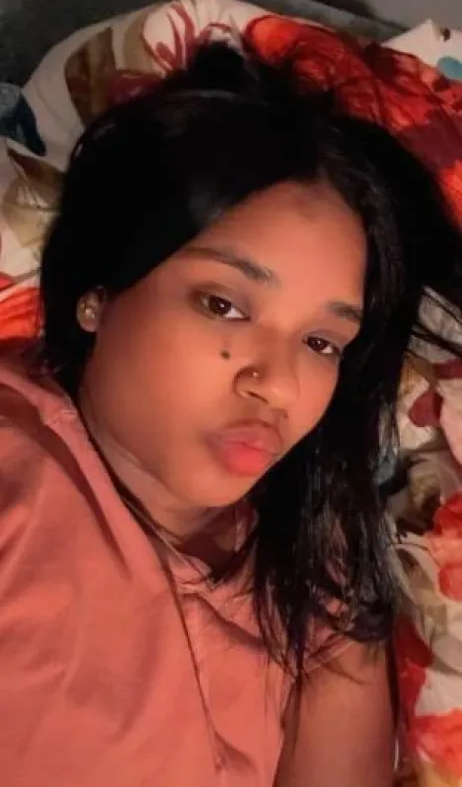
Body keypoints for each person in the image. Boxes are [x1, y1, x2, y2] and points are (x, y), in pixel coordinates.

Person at [0, 42, 460, 787]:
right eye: (223, 304)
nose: (277, 385)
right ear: (101, 292)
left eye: (321, 341)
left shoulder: (313, 560)